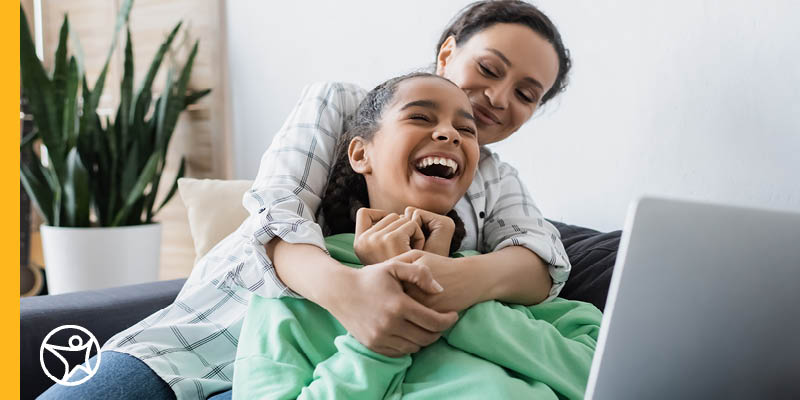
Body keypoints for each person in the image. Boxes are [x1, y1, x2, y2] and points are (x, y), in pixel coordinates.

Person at [39, 1, 575, 399]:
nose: (499, 98)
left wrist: (432, 279)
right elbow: (278, 213)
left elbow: (543, 263)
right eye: (489, 68)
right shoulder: (344, 103)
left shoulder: (495, 175)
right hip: (208, 335)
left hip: (341, 370)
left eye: (527, 94)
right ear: (448, 53)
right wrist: (353, 292)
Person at [233, 72, 601, 400]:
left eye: (467, 130)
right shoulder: (294, 293)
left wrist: (452, 296)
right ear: (361, 153)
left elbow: (601, 373)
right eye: (421, 117)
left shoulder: (490, 277)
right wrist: (376, 347)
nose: (449, 134)